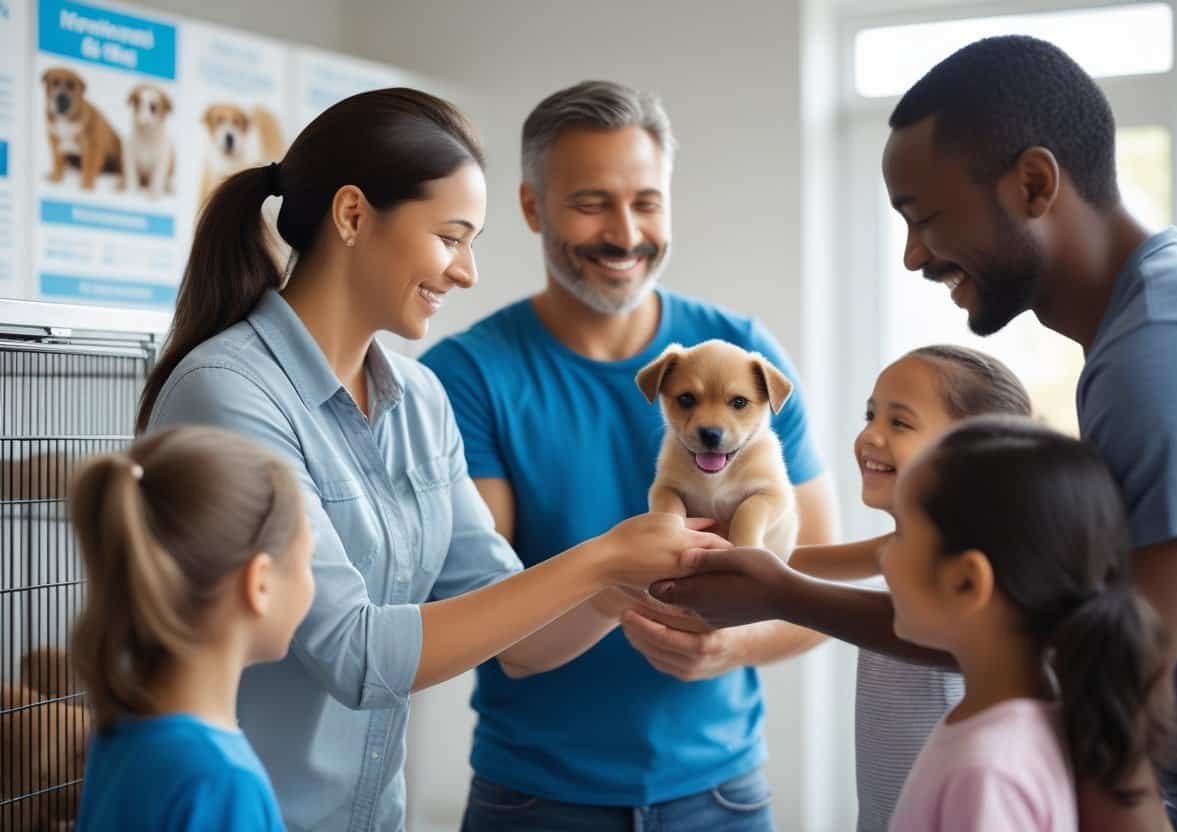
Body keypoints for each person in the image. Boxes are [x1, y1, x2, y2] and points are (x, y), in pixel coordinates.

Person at [654, 36, 1177, 831]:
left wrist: (783, 591)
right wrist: (780, 582)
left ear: (1033, 184)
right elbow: (1027, 635)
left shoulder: (1159, 355)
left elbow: (1111, 699)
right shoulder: (1157, 324)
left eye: (925, 219)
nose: (915, 255)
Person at [138, 87, 727, 832]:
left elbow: (520, 635)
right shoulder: (226, 394)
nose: (467, 272)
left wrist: (626, 587)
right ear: (352, 216)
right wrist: (605, 558)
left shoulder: (419, 400)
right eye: (451, 238)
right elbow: (352, 652)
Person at [420, 80, 838, 832]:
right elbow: (498, 632)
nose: (625, 232)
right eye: (591, 202)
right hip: (535, 800)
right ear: (530, 207)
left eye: (646, 201)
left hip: (722, 796)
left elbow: (815, 586)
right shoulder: (469, 377)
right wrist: (618, 577)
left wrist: (728, 647)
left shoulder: (749, 359)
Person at [884, 417, 1175, 831]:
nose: (883, 558)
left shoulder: (989, 770)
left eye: (899, 534)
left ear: (966, 582)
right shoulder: (1015, 731)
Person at [792, 345, 1030, 831]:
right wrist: (731, 551)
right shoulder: (905, 548)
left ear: (971, 453)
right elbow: (797, 564)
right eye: (870, 414)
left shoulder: (971, 572)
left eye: (899, 423)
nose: (868, 436)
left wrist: (771, 591)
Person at [73, 425, 312, 831]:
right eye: (309, 560)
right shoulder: (224, 783)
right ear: (260, 584)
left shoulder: (121, 734)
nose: (311, 582)